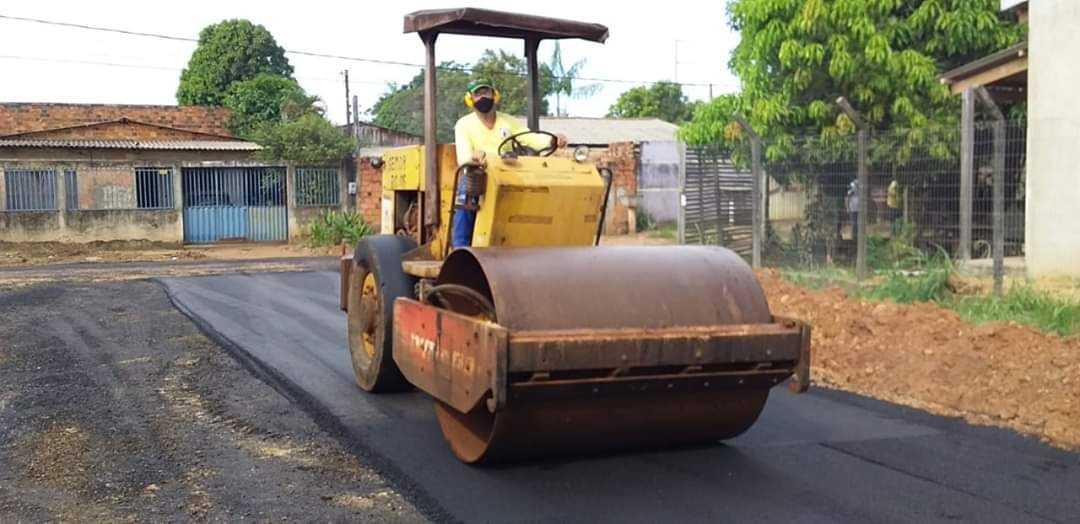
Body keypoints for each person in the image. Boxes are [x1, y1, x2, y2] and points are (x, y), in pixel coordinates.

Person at [450, 78, 568, 248]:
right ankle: (461, 248)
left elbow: (530, 138)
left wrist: (552, 141)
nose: (483, 97)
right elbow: (463, 157)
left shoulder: (508, 121)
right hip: (479, 175)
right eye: (478, 94)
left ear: (494, 95)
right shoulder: (464, 125)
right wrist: (474, 156)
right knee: (467, 194)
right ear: (470, 99)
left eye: (486, 92)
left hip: (508, 172)